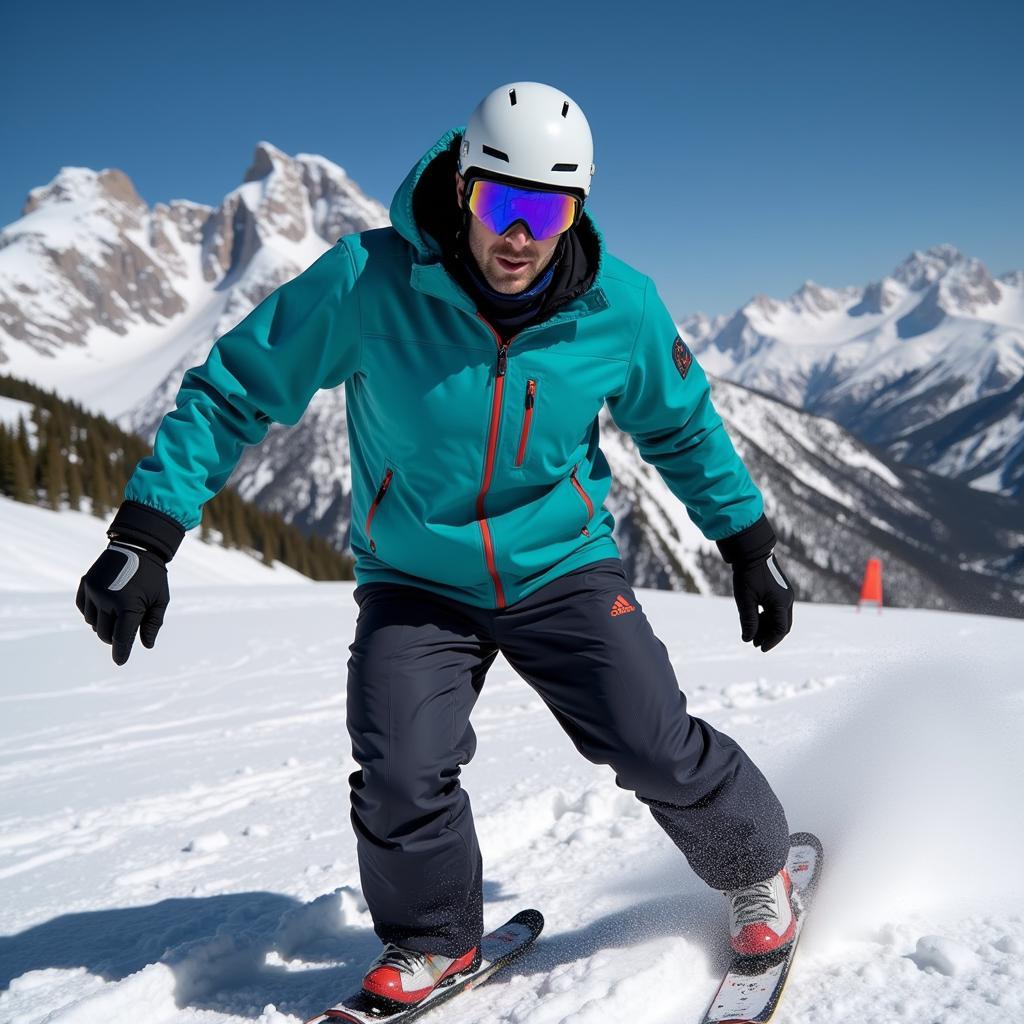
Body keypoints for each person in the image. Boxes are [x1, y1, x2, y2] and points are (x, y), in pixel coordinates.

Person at [76, 81, 797, 1007]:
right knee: (400, 768)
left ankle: (754, 873)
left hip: (561, 565)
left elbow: (683, 428)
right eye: (503, 203)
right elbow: (233, 391)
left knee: (651, 741)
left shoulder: (621, 306)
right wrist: (148, 532)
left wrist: (746, 543)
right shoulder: (368, 280)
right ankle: (433, 937)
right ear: (463, 188)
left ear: (578, 209)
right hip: (414, 576)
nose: (521, 235)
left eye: (548, 209)